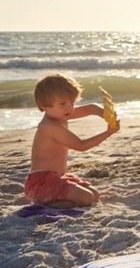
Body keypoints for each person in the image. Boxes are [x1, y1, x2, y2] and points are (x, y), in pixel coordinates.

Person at [26, 74, 119, 207]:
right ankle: (47, 204)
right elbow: (81, 146)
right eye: (63, 103)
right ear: (43, 105)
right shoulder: (49, 126)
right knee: (86, 198)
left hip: (56, 178)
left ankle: (62, 202)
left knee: (94, 195)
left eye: (72, 102)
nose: (69, 107)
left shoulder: (60, 114)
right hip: (41, 183)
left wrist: (105, 114)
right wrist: (108, 133)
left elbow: (90, 108)